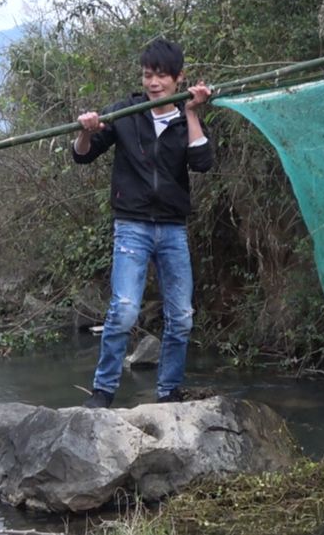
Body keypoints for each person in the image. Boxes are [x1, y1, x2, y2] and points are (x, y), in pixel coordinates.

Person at [72, 38, 213, 408]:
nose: (153, 83)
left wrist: (194, 112)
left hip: (172, 227)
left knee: (181, 316)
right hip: (131, 225)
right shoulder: (125, 113)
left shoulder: (186, 119)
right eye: (148, 75)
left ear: (178, 78)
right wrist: (86, 129)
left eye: (162, 76)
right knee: (124, 309)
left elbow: (202, 163)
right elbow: (82, 156)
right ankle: (103, 391)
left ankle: (169, 391)